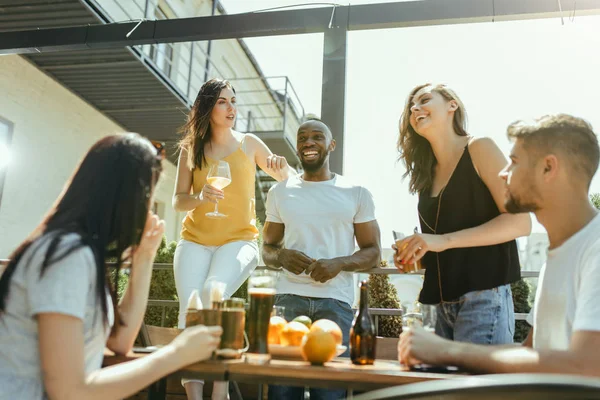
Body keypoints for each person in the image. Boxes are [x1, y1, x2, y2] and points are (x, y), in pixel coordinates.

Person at [0, 134, 222, 400]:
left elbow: (120, 341)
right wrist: (174, 355)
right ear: (123, 197)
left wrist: (145, 258)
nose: (149, 209)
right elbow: (69, 391)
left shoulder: (79, 252)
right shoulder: (66, 256)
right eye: (147, 196)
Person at [398, 114, 600, 377]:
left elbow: (589, 365)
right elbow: (530, 354)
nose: (503, 173)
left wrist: (446, 351)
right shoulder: (561, 252)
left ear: (548, 168)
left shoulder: (594, 248)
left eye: (513, 162)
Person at [172, 78, 296, 399]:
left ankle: (220, 391)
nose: (232, 108)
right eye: (223, 102)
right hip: (194, 240)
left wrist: (282, 169)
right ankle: (194, 396)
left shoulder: (248, 143)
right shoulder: (191, 149)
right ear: (208, 108)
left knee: (215, 292)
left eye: (233, 101)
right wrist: (199, 196)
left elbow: (285, 177)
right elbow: (178, 201)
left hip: (240, 241)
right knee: (191, 308)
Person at [394, 83, 531, 344]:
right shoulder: (426, 173)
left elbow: (520, 221)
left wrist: (442, 241)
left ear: (451, 105)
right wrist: (417, 253)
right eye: (411, 107)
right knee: (439, 386)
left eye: (424, 100)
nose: (415, 108)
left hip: (482, 299)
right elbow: (443, 243)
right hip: (434, 307)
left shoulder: (480, 147)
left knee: (472, 386)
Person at [262, 119, 381, 400]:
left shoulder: (356, 192)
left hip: (336, 304)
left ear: (331, 145)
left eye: (317, 136)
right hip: (287, 303)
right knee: (281, 393)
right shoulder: (279, 192)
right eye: (303, 137)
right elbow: (266, 249)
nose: (309, 142)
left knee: (330, 395)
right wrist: (280, 255)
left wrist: (339, 263)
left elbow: (373, 251)